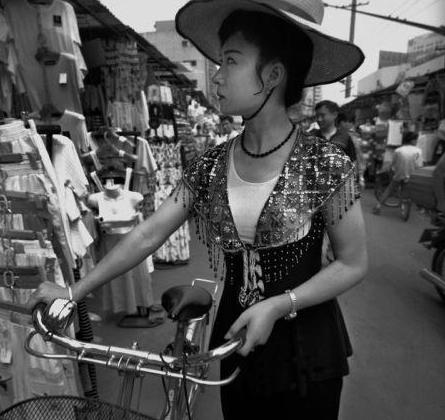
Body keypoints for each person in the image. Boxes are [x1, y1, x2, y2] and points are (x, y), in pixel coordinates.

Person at [27, 1, 367, 419]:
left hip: (308, 357)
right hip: (234, 345)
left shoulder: (324, 164)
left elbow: (353, 262)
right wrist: (73, 292)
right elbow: (149, 232)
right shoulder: (211, 165)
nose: (218, 75)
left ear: (273, 75)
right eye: (218, 61)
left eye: (231, 61)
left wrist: (281, 304)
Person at [373, 131, 423, 215]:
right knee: (408, 189)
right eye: (415, 139)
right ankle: (407, 205)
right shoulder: (418, 151)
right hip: (412, 174)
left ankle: (378, 206)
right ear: (412, 140)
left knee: (389, 189)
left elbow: (393, 163)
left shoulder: (398, 150)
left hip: (399, 173)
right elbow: (419, 165)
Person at [337, 112, 365, 188]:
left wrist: (361, 176)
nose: (349, 124)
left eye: (350, 122)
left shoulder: (355, 137)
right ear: (340, 122)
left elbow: (358, 156)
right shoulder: (334, 135)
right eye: (346, 121)